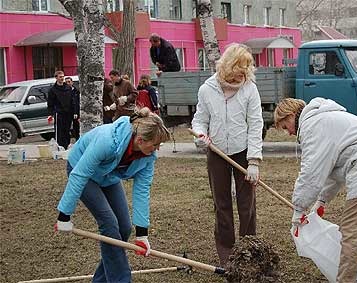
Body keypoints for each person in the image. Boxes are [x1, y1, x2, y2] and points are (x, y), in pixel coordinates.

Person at [274, 97, 357, 282]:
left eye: (286, 126)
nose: (289, 133)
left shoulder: (313, 125)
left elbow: (311, 173)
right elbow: (332, 168)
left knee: (351, 234)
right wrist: (321, 201)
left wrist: (299, 209)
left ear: (291, 115)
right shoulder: (325, 118)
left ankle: (347, 280)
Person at [54, 107, 171, 283]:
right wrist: (64, 215)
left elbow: (142, 191)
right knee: (109, 224)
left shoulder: (148, 157)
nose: (157, 149)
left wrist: (142, 234)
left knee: (123, 228)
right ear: (139, 140)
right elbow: (80, 174)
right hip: (81, 170)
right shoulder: (107, 141)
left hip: (108, 176)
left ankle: (100, 280)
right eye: (155, 144)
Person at [191, 43, 263, 266]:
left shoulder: (250, 89)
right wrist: (200, 135)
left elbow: (255, 124)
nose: (239, 78)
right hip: (217, 152)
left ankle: (249, 248)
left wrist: (254, 161)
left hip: (243, 152)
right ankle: (227, 253)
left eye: (244, 74)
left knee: (246, 204)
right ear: (227, 68)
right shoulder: (207, 89)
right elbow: (200, 120)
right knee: (221, 203)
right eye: (236, 74)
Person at [47, 70, 77, 149]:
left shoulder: (68, 88)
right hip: (59, 114)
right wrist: (52, 114)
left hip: (68, 113)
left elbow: (72, 101)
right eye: (60, 77)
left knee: (67, 130)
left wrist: (74, 112)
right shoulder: (52, 90)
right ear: (56, 78)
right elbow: (50, 103)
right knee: (59, 131)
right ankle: (60, 146)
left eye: (63, 77)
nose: (62, 78)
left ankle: (66, 146)